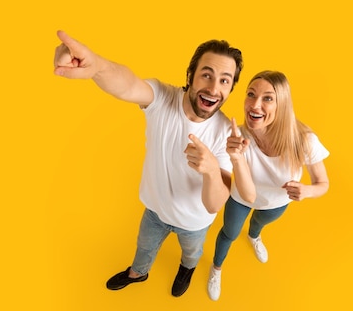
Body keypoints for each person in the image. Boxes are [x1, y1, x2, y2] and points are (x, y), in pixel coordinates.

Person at [53, 30, 254, 297]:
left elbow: (214, 204)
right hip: (154, 212)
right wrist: (97, 66)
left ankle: (187, 269)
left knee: (192, 254)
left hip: (194, 223)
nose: (214, 88)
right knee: (143, 249)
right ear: (190, 75)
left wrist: (210, 170)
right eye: (207, 74)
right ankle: (137, 273)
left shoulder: (226, 134)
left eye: (224, 81)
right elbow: (128, 85)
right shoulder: (162, 98)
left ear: (230, 89)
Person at [206, 70, 330, 301]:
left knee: (257, 226)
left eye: (267, 98)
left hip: (276, 204)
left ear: (281, 104)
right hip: (241, 199)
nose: (255, 104)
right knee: (229, 234)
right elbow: (247, 194)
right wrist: (237, 156)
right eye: (251, 94)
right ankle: (216, 269)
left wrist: (307, 191)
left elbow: (323, 183)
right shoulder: (238, 138)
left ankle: (254, 237)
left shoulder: (304, 140)